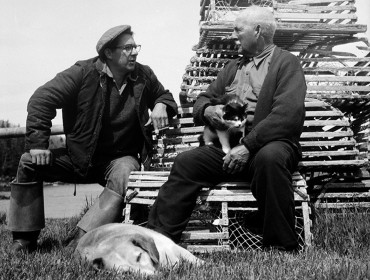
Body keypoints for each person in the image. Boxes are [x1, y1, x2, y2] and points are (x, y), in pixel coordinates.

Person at [147, 6, 307, 252]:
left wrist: (248, 146)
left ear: (258, 31)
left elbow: (287, 116)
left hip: (270, 146)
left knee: (270, 158)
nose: (233, 35)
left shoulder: (286, 63)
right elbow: (203, 98)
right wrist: (208, 111)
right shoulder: (233, 67)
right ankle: (158, 242)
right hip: (230, 150)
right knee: (186, 162)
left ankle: (280, 246)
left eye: (237, 29)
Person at [8, 25, 178, 253]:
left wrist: (161, 104)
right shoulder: (82, 73)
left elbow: (164, 95)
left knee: (126, 170)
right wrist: (39, 144)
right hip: (78, 158)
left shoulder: (143, 75)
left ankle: (80, 241)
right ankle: (23, 240)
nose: (135, 52)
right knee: (28, 162)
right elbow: (41, 99)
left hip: (117, 160)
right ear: (108, 53)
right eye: (128, 48)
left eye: (136, 46)